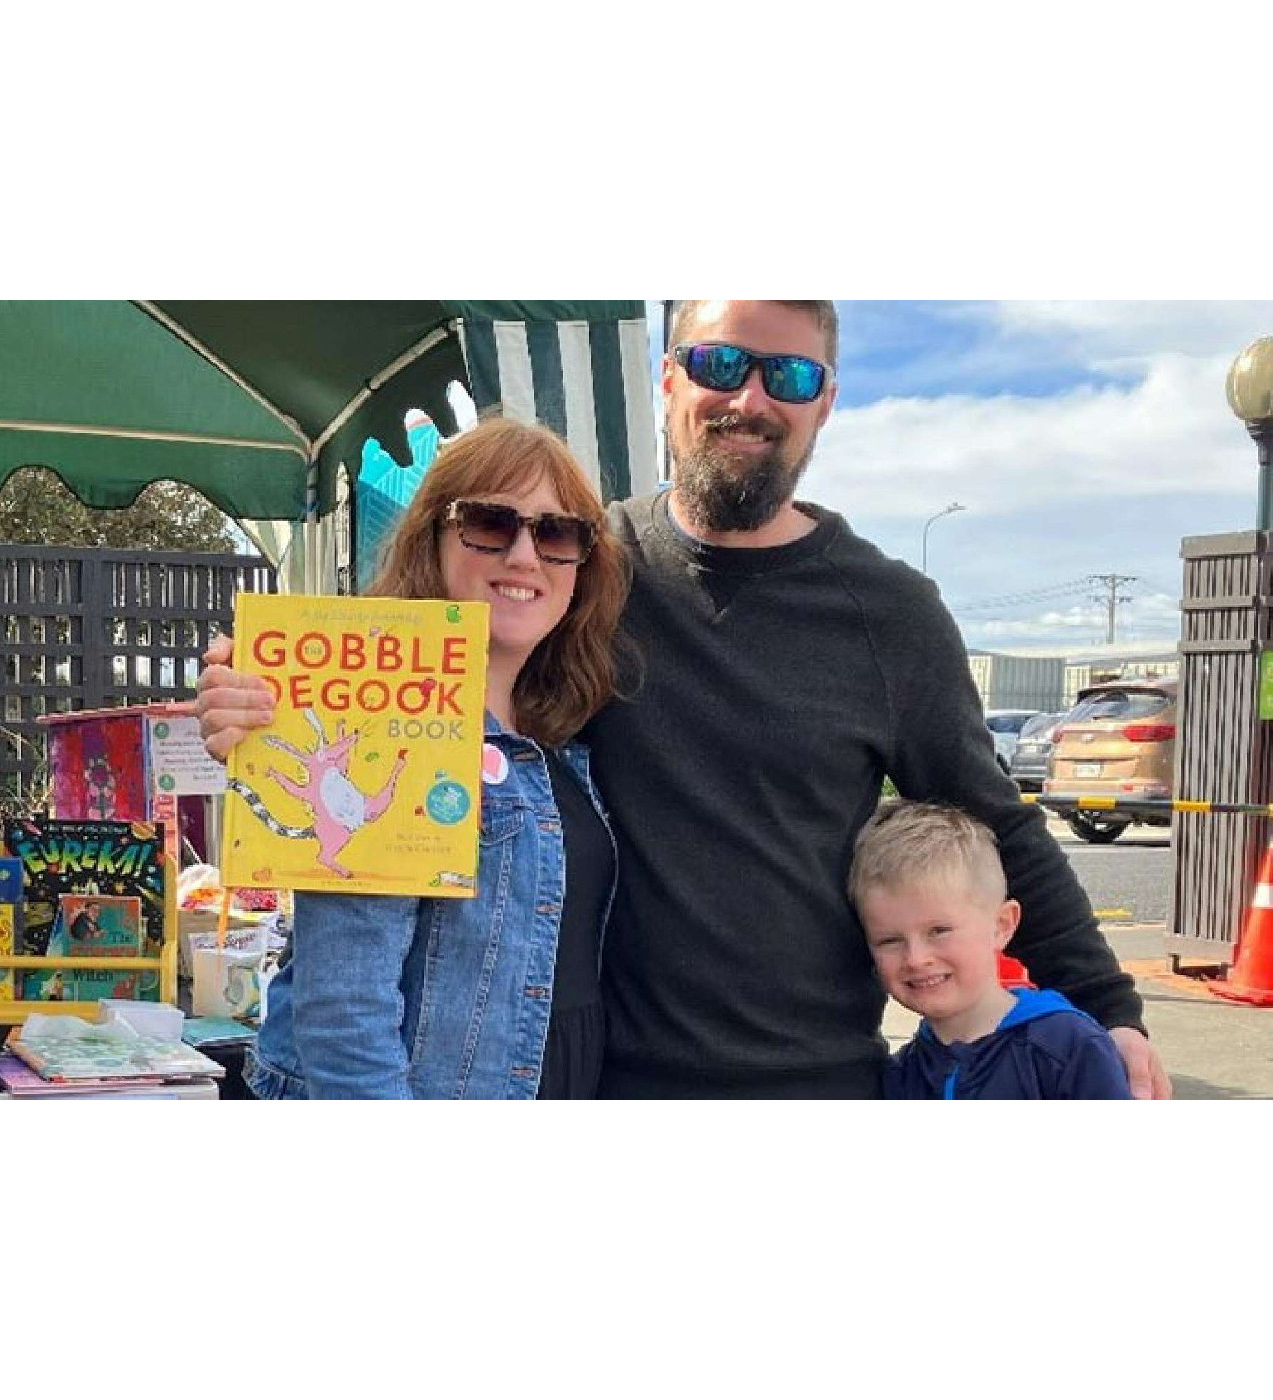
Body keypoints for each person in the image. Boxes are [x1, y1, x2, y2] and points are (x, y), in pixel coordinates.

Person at [198, 299, 1171, 1100]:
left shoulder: (886, 610)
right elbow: (381, 693)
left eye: (785, 376)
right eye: (717, 363)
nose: (748, 396)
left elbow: (991, 819)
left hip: (814, 1087)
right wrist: (263, 697)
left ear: (822, 403)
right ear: (669, 383)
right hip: (601, 1080)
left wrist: (1108, 1007)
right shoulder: (595, 566)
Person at [212, 417, 630, 1098]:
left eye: (557, 534)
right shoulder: (382, 717)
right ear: (432, 537)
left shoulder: (571, 734)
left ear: (584, 564)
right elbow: (344, 1015)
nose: (524, 555)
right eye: (491, 523)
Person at [849, 801, 1132, 1099]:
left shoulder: (1071, 1048)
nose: (916, 959)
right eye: (890, 940)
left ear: (1001, 926)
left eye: (939, 931)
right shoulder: (900, 1074)